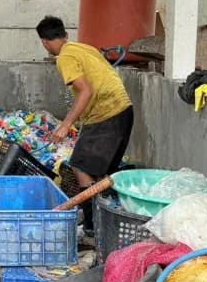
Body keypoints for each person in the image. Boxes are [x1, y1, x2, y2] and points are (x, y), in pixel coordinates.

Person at [35, 15, 134, 234]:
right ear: (66, 35)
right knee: (101, 173)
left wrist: (65, 125)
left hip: (106, 113)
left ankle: (91, 225)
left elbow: (86, 90)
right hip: (123, 110)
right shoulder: (83, 48)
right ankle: (104, 221)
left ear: (44, 42)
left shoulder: (64, 58)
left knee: (80, 165)